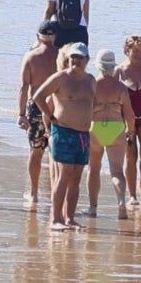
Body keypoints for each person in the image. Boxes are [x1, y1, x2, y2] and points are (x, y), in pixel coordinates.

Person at [33, 42, 95, 230]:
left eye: (80, 57)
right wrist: (50, 117)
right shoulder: (60, 78)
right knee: (64, 173)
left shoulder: (91, 80)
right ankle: (56, 219)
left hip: (83, 135)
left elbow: (95, 103)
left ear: (87, 60)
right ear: (68, 59)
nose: (76, 61)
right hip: (64, 130)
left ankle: (69, 218)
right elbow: (38, 96)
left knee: (76, 176)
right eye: (73, 57)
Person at [86, 49, 136, 220]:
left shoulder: (92, 85)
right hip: (116, 128)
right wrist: (130, 130)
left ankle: (93, 207)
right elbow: (129, 114)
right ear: (113, 66)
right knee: (117, 172)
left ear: (98, 66)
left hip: (95, 128)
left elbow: (86, 110)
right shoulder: (121, 87)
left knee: (93, 169)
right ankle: (121, 201)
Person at [17, 21, 61, 204]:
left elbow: (23, 87)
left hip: (36, 107)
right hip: (58, 107)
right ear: (55, 37)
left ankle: (34, 193)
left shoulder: (31, 57)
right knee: (56, 153)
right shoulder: (62, 56)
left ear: (38, 37)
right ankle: (56, 193)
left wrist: (21, 114)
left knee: (35, 151)